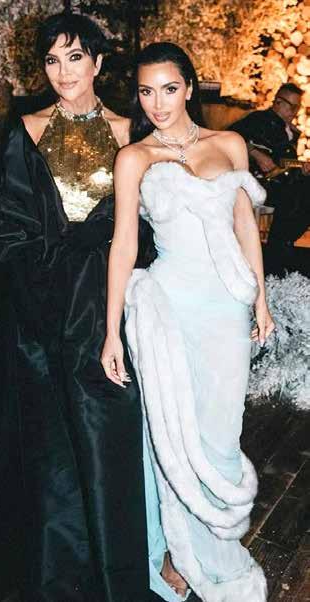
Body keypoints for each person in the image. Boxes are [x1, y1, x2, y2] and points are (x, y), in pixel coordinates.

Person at [0, 12, 157, 602]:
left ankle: (111, 575)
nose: (63, 72)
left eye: (75, 57)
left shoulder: (130, 131)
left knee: (104, 436)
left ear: (98, 62)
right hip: (38, 310)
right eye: (52, 60)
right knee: (46, 444)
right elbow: (7, 229)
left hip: (107, 306)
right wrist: (44, 292)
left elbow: (145, 225)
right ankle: (49, 577)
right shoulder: (24, 130)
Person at [101, 42, 274, 602]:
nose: (158, 103)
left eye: (169, 89)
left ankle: (211, 541)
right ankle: (173, 548)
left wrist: (260, 299)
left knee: (220, 433)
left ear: (190, 88)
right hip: (170, 309)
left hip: (225, 307)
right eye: (147, 92)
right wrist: (111, 331)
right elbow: (124, 246)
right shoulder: (135, 157)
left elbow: (245, 225)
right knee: (168, 432)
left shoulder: (229, 144)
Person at [229, 83, 310, 270]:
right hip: (258, 182)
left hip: (281, 183)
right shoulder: (259, 119)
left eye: (297, 107)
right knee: (298, 195)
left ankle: (282, 244)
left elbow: (284, 164)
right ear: (278, 102)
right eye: (291, 106)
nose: (294, 112)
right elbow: (229, 136)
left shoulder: (291, 131)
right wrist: (255, 153)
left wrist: (301, 170)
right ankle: (278, 248)